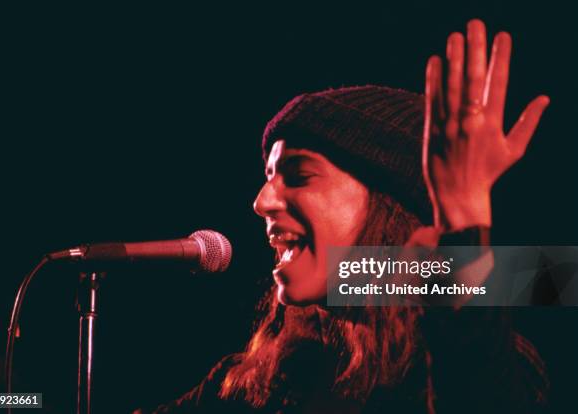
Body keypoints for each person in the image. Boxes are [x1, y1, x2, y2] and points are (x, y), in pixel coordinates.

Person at [139, 19, 550, 413]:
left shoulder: (477, 365)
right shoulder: (257, 382)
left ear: (387, 205)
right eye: (268, 177)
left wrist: (463, 219)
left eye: (298, 175)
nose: (261, 202)